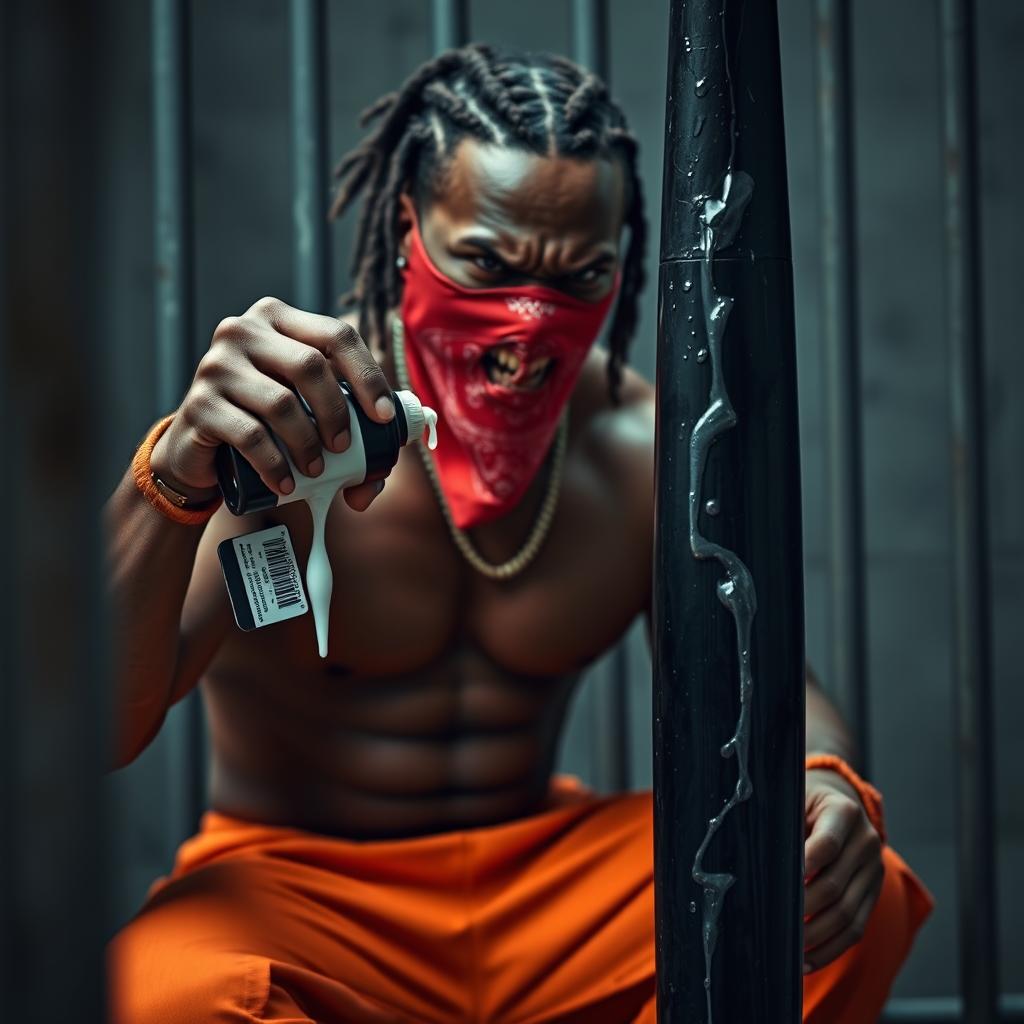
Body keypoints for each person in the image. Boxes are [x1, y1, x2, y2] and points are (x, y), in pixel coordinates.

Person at [107, 44, 931, 1024]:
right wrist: (169, 477)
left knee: (844, 902)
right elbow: (101, 728)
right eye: (487, 265)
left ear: (621, 266)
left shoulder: (638, 449)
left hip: (548, 889)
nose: (524, 332)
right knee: (165, 998)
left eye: (578, 275)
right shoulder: (287, 424)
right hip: (301, 886)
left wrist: (825, 783)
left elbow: (778, 692)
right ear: (410, 229)